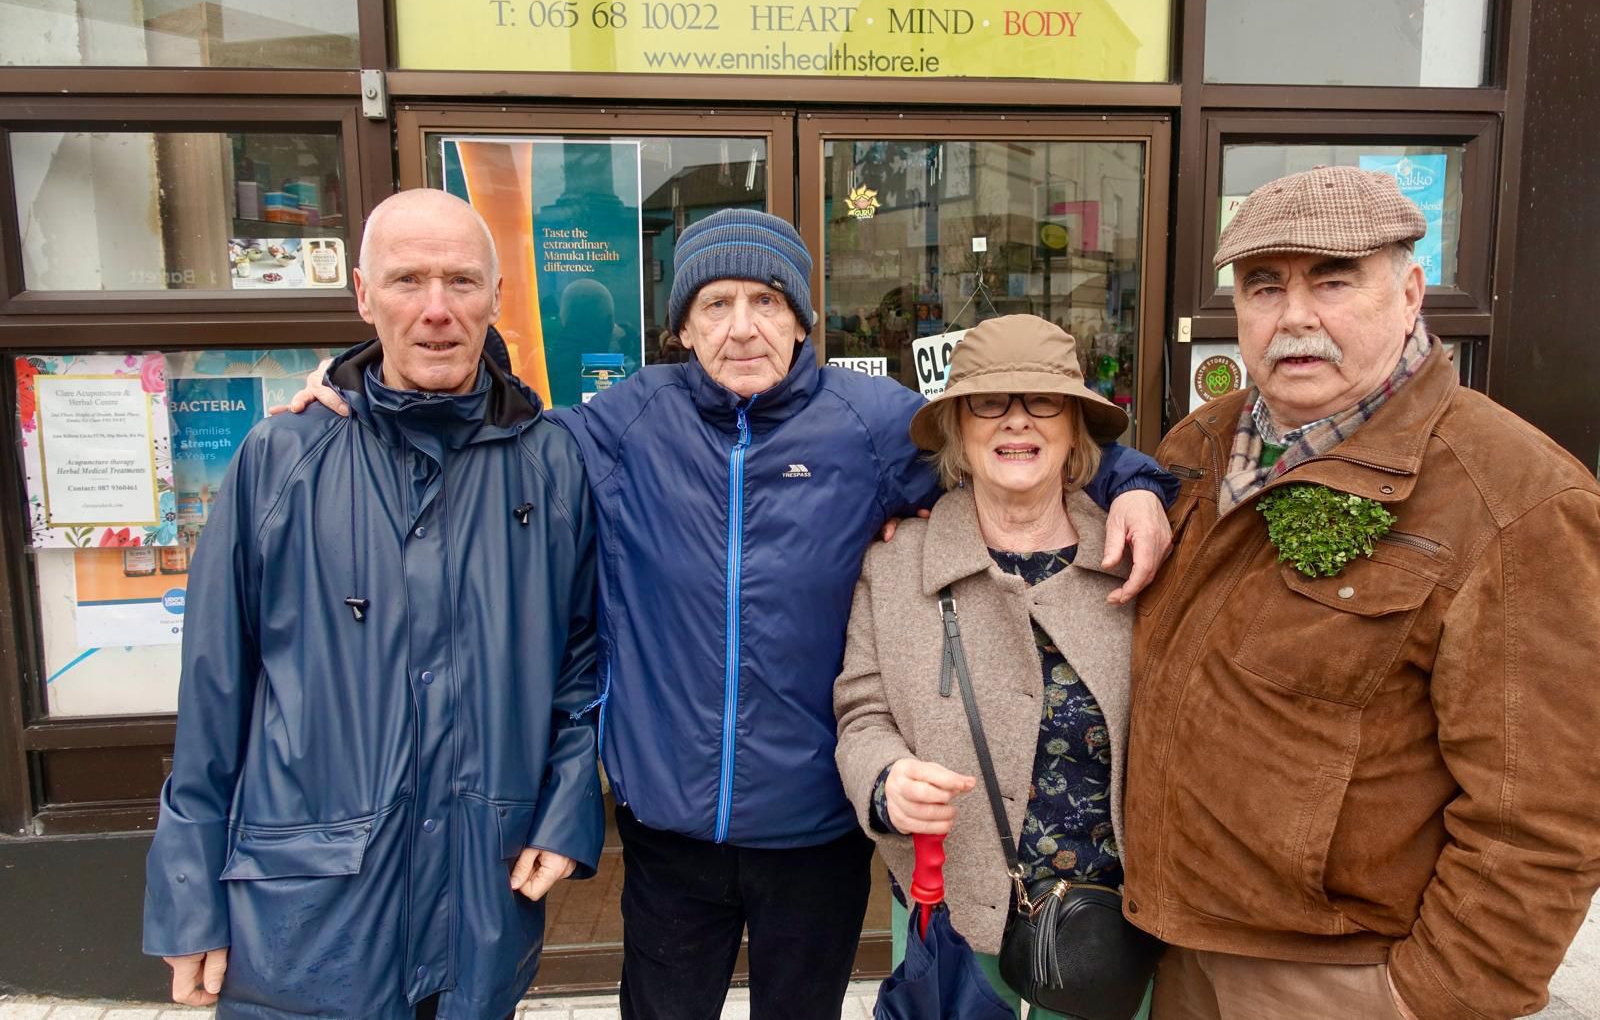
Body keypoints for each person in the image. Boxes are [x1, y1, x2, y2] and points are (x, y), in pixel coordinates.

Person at [289, 207, 1177, 1020]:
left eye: (766, 301)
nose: (742, 327)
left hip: (815, 827)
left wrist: (1134, 482)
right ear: (682, 326)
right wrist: (360, 379)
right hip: (670, 829)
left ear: (802, 321)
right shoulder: (628, 423)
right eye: (715, 304)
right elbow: (500, 429)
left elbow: (1011, 436)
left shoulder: (870, 423)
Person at [1123, 166, 1600, 1020]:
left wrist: (1428, 998)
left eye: (1333, 281)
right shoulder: (1201, 442)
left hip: (1342, 976)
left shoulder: (1516, 498)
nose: (1295, 316)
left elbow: (1546, 814)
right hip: (1176, 947)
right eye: (1265, 286)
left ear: (1410, 293)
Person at [143, 189, 604, 1019]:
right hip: (310, 914)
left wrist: (567, 807)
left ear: (496, 297)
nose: (436, 309)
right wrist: (188, 893)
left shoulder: (552, 462)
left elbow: (580, 661)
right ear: (363, 294)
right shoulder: (281, 457)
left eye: (462, 281)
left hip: (480, 893)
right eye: (407, 280)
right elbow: (214, 692)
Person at [834, 314, 1153, 1019]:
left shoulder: (1135, 560)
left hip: (1110, 935)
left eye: (1043, 401)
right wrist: (886, 780)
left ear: (1074, 428)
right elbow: (862, 712)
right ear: (957, 428)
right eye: (988, 402)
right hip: (953, 921)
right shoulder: (896, 564)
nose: (1016, 420)